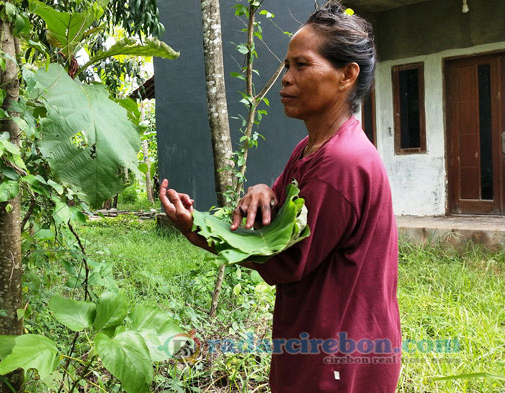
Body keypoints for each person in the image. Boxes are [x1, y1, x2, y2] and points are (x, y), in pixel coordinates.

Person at [159, 1, 401, 392]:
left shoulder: (341, 163)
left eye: (301, 65)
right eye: (287, 66)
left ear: (346, 75)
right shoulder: (312, 149)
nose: (286, 78)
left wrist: (197, 229)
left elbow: (285, 258)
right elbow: (282, 207)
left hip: (337, 361)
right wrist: (261, 189)